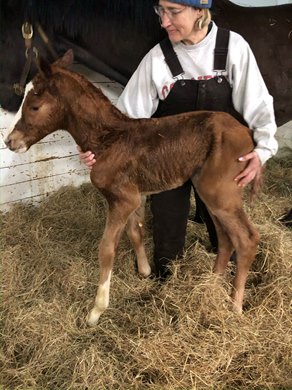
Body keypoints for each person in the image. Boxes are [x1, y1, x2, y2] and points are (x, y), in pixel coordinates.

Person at [78, 0, 278, 278]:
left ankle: (224, 277)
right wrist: (98, 149)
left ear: (200, 10)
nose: (164, 22)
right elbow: (124, 118)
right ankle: (169, 282)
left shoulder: (233, 47)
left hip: (215, 158)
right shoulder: (158, 59)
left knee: (225, 230)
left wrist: (263, 151)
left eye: (173, 12)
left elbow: (258, 104)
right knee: (167, 250)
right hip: (167, 163)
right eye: (161, 11)